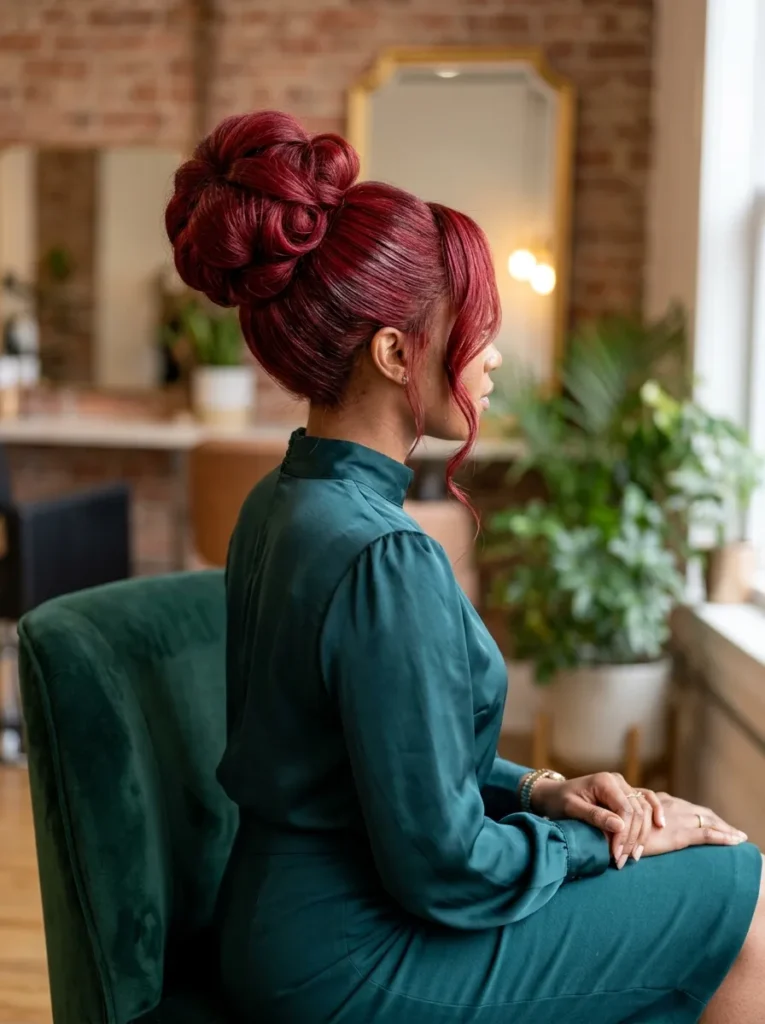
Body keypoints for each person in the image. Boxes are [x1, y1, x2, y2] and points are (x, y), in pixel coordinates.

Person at [166, 110, 764, 1023]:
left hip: (276, 929)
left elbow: (383, 763)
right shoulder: (381, 554)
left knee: (714, 879)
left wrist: (543, 791)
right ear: (393, 352)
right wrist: (609, 842)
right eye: (477, 328)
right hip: (348, 959)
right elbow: (443, 864)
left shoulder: (280, 502)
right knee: (738, 893)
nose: (492, 357)